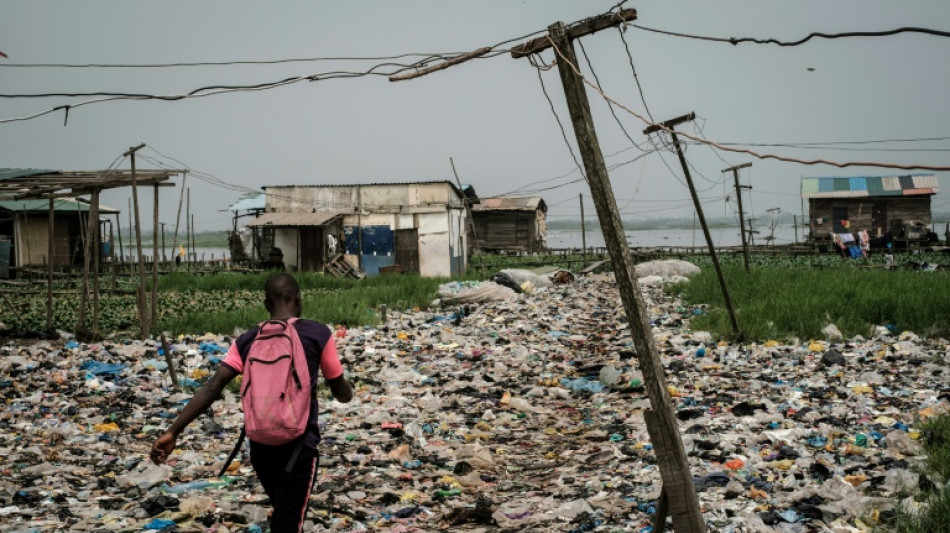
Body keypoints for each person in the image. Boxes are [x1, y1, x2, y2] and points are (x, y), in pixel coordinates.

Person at [150, 273, 353, 533]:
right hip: (299, 447)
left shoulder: (246, 341)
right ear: (299, 299)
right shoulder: (318, 333)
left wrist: (173, 431)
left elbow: (213, 387)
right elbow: (338, 385)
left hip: (260, 447)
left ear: (266, 303)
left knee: (285, 513)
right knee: (288, 522)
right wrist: (346, 394)